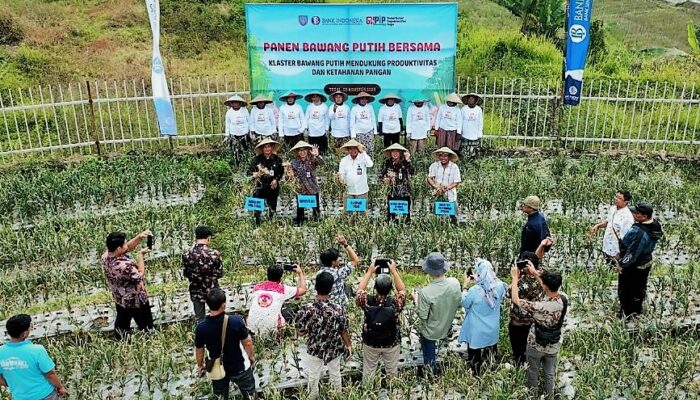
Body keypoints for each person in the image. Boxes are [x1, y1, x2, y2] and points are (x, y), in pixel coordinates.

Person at [510, 263, 567, 399]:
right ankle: (549, 396)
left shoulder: (539, 307)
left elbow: (516, 300)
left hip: (536, 344)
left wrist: (514, 278)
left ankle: (532, 395)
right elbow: (546, 286)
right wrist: (535, 273)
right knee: (549, 372)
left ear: (545, 286)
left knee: (533, 370)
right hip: (554, 343)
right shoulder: (563, 299)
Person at [295, 272, 352, 400]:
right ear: (331, 289)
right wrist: (348, 345)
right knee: (335, 373)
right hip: (334, 347)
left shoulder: (306, 309)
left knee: (314, 375)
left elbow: (300, 331)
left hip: (315, 347)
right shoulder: (337, 308)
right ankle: (337, 396)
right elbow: (343, 330)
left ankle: (312, 396)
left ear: (316, 287)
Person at [195, 288, 256, 400]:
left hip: (216, 367)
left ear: (208, 305)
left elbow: (199, 349)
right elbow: (247, 342)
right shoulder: (236, 321)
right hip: (239, 365)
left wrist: (200, 365)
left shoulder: (201, 327)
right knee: (249, 393)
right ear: (223, 305)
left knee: (221, 395)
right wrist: (251, 356)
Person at [355, 259, 406, 385]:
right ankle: (392, 389)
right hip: (391, 342)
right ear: (390, 289)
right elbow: (402, 291)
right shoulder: (395, 304)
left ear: (375, 288)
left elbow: (359, 290)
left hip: (371, 342)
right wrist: (394, 271)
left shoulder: (366, 301)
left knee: (369, 369)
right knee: (391, 369)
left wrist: (369, 271)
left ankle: (368, 389)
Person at [412, 252, 461, 378]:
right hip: (447, 323)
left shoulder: (425, 293)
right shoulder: (454, 283)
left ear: (428, 270)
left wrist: (416, 299)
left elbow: (423, 316)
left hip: (432, 332)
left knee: (428, 351)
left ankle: (431, 372)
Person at [0, 314, 69, 400]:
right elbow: (50, 374)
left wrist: (12, 383)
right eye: (30, 327)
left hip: (20, 397)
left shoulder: (1, 352)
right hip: (45, 395)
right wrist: (60, 387)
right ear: (24, 334)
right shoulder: (37, 350)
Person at [102, 230, 154, 339]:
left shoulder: (106, 256)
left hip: (120, 297)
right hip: (135, 299)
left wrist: (139, 237)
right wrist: (140, 255)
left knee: (122, 320)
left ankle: (121, 338)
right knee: (145, 322)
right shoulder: (124, 266)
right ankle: (149, 339)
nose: (127, 245)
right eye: (124, 244)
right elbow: (139, 274)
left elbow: (127, 248)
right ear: (118, 248)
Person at [458, 259, 507, 376]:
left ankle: (476, 373)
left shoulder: (474, 290)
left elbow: (464, 303)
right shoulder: (499, 286)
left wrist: (465, 286)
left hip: (477, 331)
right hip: (492, 328)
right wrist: (480, 280)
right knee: (491, 348)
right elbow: (492, 284)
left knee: (474, 354)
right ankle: (491, 367)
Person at [617, 202, 663, 318]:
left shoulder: (640, 233)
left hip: (634, 265)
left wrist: (622, 264)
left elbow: (633, 252)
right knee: (640, 287)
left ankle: (627, 314)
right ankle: (637, 310)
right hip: (646, 262)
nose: (634, 214)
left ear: (644, 216)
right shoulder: (655, 226)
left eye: (637, 213)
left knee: (627, 290)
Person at [246, 263, 307, 338]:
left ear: (267, 275)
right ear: (281, 277)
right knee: (290, 312)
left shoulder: (256, 288)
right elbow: (303, 290)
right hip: (273, 335)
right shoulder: (283, 289)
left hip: (252, 333)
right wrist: (300, 273)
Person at [506, 251, 544, 365]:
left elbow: (510, 294)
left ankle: (519, 362)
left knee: (517, 344)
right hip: (532, 318)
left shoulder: (521, 282)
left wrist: (514, 278)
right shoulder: (541, 279)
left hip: (518, 319)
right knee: (529, 343)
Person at [182, 225, 223, 324]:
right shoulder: (214, 254)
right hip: (213, 292)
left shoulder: (186, 254)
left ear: (195, 238)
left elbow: (186, 273)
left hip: (196, 291)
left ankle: (202, 336)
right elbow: (219, 273)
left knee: (200, 319)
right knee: (217, 316)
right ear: (208, 238)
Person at [590, 190, 634, 267]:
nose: (616, 199)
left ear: (626, 202)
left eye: (619, 198)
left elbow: (626, 238)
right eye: (616, 196)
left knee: (616, 270)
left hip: (616, 250)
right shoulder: (613, 209)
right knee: (608, 265)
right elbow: (608, 223)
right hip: (607, 246)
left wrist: (619, 252)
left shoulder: (627, 217)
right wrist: (598, 226)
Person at [247, 138, 284, 225]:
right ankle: (257, 222)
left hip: (272, 187)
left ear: (272, 148)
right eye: (265, 147)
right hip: (259, 187)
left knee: (272, 207)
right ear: (262, 149)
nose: (267, 149)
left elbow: (281, 172)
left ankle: (271, 222)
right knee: (257, 207)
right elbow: (248, 172)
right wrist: (254, 174)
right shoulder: (256, 160)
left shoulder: (277, 159)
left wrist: (276, 180)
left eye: (269, 147)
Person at [318, 235, 360, 309]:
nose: (339, 260)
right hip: (338, 307)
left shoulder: (319, 273)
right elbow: (355, 260)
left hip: (324, 306)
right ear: (333, 262)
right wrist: (345, 244)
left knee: (347, 287)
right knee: (349, 288)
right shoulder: (338, 274)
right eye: (337, 259)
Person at [379, 143, 415, 223]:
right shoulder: (387, 162)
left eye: (397, 152)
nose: (395, 154)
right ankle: (391, 225)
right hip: (392, 191)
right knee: (391, 213)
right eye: (393, 151)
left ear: (400, 153)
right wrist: (385, 179)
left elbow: (412, 172)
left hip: (404, 191)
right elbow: (380, 175)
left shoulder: (405, 162)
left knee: (405, 213)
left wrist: (408, 160)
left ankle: (405, 226)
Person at [289, 141, 322, 224]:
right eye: (300, 150)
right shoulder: (294, 162)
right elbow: (290, 176)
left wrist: (316, 155)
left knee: (315, 206)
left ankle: (316, 219)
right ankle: (300, 220)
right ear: (297, 152)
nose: (302, 152)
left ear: (307, 150)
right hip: (301, 187)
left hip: (312, 186)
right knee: (300, 207)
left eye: (304, 150)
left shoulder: (312, 159)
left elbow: (321, 162)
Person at [338, 139, 374, 212]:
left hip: (362, 190)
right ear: (348, 150)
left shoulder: (363, 157)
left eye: (355, 148)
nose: (353, 150)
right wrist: (341, 179)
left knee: (362, 213)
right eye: (350, 149)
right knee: (348, 213)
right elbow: (341, 173)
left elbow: (370, 164)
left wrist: (363, 152)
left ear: (358, 149)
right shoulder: (344, 160)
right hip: (349, 191)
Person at [427, 147, 461, 224]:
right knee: (437, 214)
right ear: (439, 157)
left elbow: (456, 182)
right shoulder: (434, 165)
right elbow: (429, 178)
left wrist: (447, 187)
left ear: (449, 157)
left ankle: (453, 226)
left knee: (452, 215)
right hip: (437, 193)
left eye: (445, 156)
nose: (443, 158)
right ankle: (438, 227)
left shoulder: (454, 167)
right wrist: (436, 186)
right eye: (441, 155)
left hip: (450, 194)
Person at [223, 94, 251, 164]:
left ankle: (246, 164)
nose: (235, 104)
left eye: (236, 102)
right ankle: (237, 165)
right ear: (231, 104)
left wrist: (249, 132)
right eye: (233, 102)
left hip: (244, 134)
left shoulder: (245, 111)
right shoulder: (229, 113)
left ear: (240, 103)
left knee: (245, 150)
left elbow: (249, 121)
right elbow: (227, 124)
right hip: (234, 134)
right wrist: (227, 135)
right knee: (235, 151)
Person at [459, 93, 484, 158]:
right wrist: (460, 130)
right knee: (464, 146)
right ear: (467, 100)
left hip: (474, 132)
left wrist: (479, 133)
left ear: (475, 100)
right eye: (469, 99)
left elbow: (480, 121)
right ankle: (464, 158)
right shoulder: (464, 109)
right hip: (465, 132)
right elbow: (460, 120)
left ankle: (472, 159)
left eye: (472, 99)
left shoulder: (478, 109)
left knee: (473, 147)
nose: (470, 100)